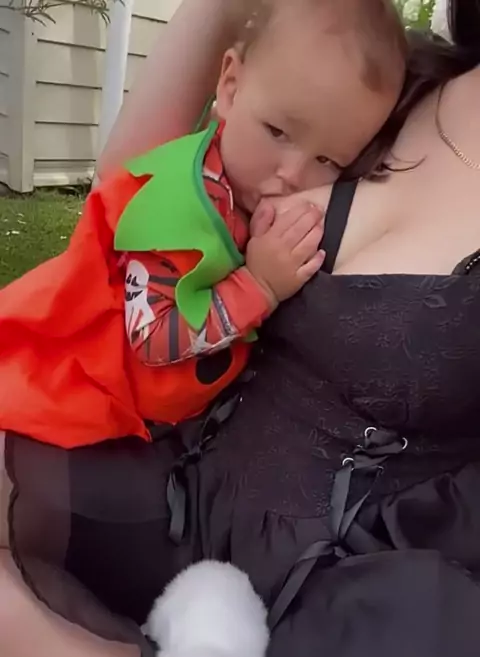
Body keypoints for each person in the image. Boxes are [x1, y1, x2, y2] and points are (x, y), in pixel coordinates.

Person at [1, 1, 480, 657]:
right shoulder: (392, 77)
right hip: (177, 493)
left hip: (346, 606)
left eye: (321, 160)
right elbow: (134, 203)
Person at [0, 0, 404, 449]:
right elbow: (152, 337)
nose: (293, 174)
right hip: (88, 389)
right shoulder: (177, 203)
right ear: (230, 87)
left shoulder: (242, 188)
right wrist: (259, 286)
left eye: (328, 160)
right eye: (277, 131)